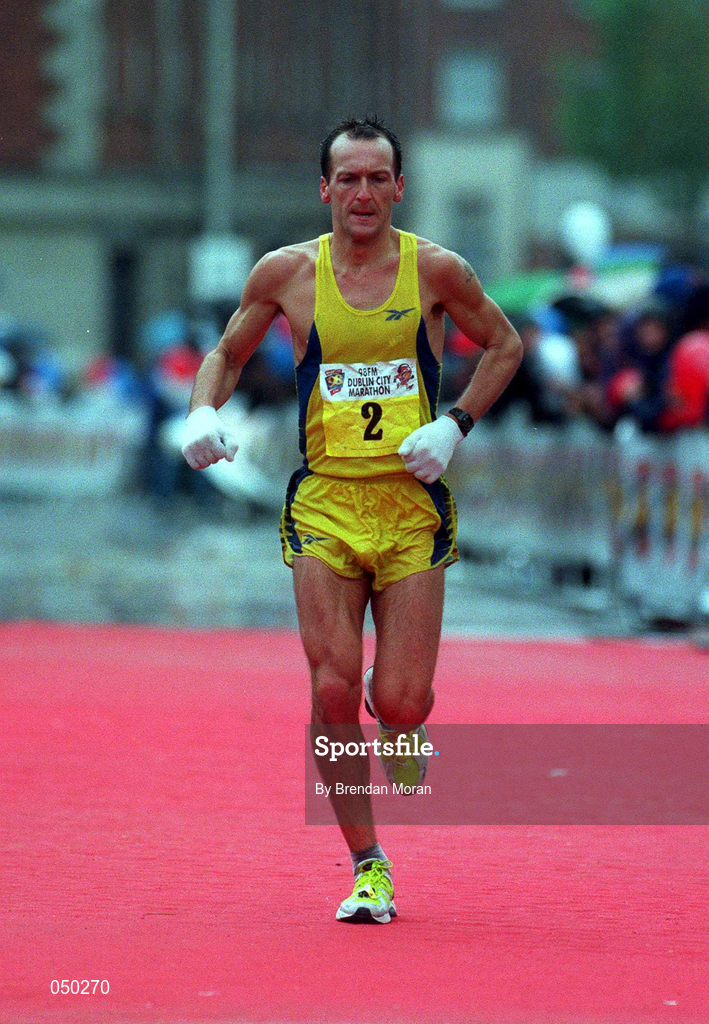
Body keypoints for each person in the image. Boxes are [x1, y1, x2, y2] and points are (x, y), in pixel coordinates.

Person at [181, 117, 522, 923]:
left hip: (410, 509)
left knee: (400, 704)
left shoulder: (436, 268)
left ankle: (395, 705)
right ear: (324, 188)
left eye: (377, 179)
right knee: (330, 687)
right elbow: (227, 353)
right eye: (348, 179)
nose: (362, 193)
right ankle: (369, 864)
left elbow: (503, 346)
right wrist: (199, 412)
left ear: (398, 187)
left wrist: (454, 424)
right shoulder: (287, 273)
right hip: (325, 501)